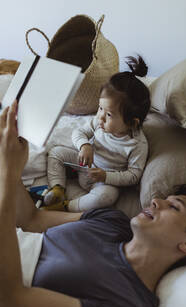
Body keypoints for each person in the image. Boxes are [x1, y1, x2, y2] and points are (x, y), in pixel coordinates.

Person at [0, 103, 186, 307]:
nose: (156, 201)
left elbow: (3, 303)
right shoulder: (111, 221)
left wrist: (8, 171)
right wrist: (1, 151)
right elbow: (30, 220)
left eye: (174, 207)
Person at [43, 55, 150, 212]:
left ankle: (66, 207)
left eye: (109, 114)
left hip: (103, 181)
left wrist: (106, 176)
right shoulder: (99, 122)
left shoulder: (137, 145)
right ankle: (57, 189)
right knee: (56, 153)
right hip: (84, 164)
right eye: (100, 108)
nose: (100, 116)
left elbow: (133, 175)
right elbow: (79, 132)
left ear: (132, 123)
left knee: (108, 197)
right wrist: (84, 145)